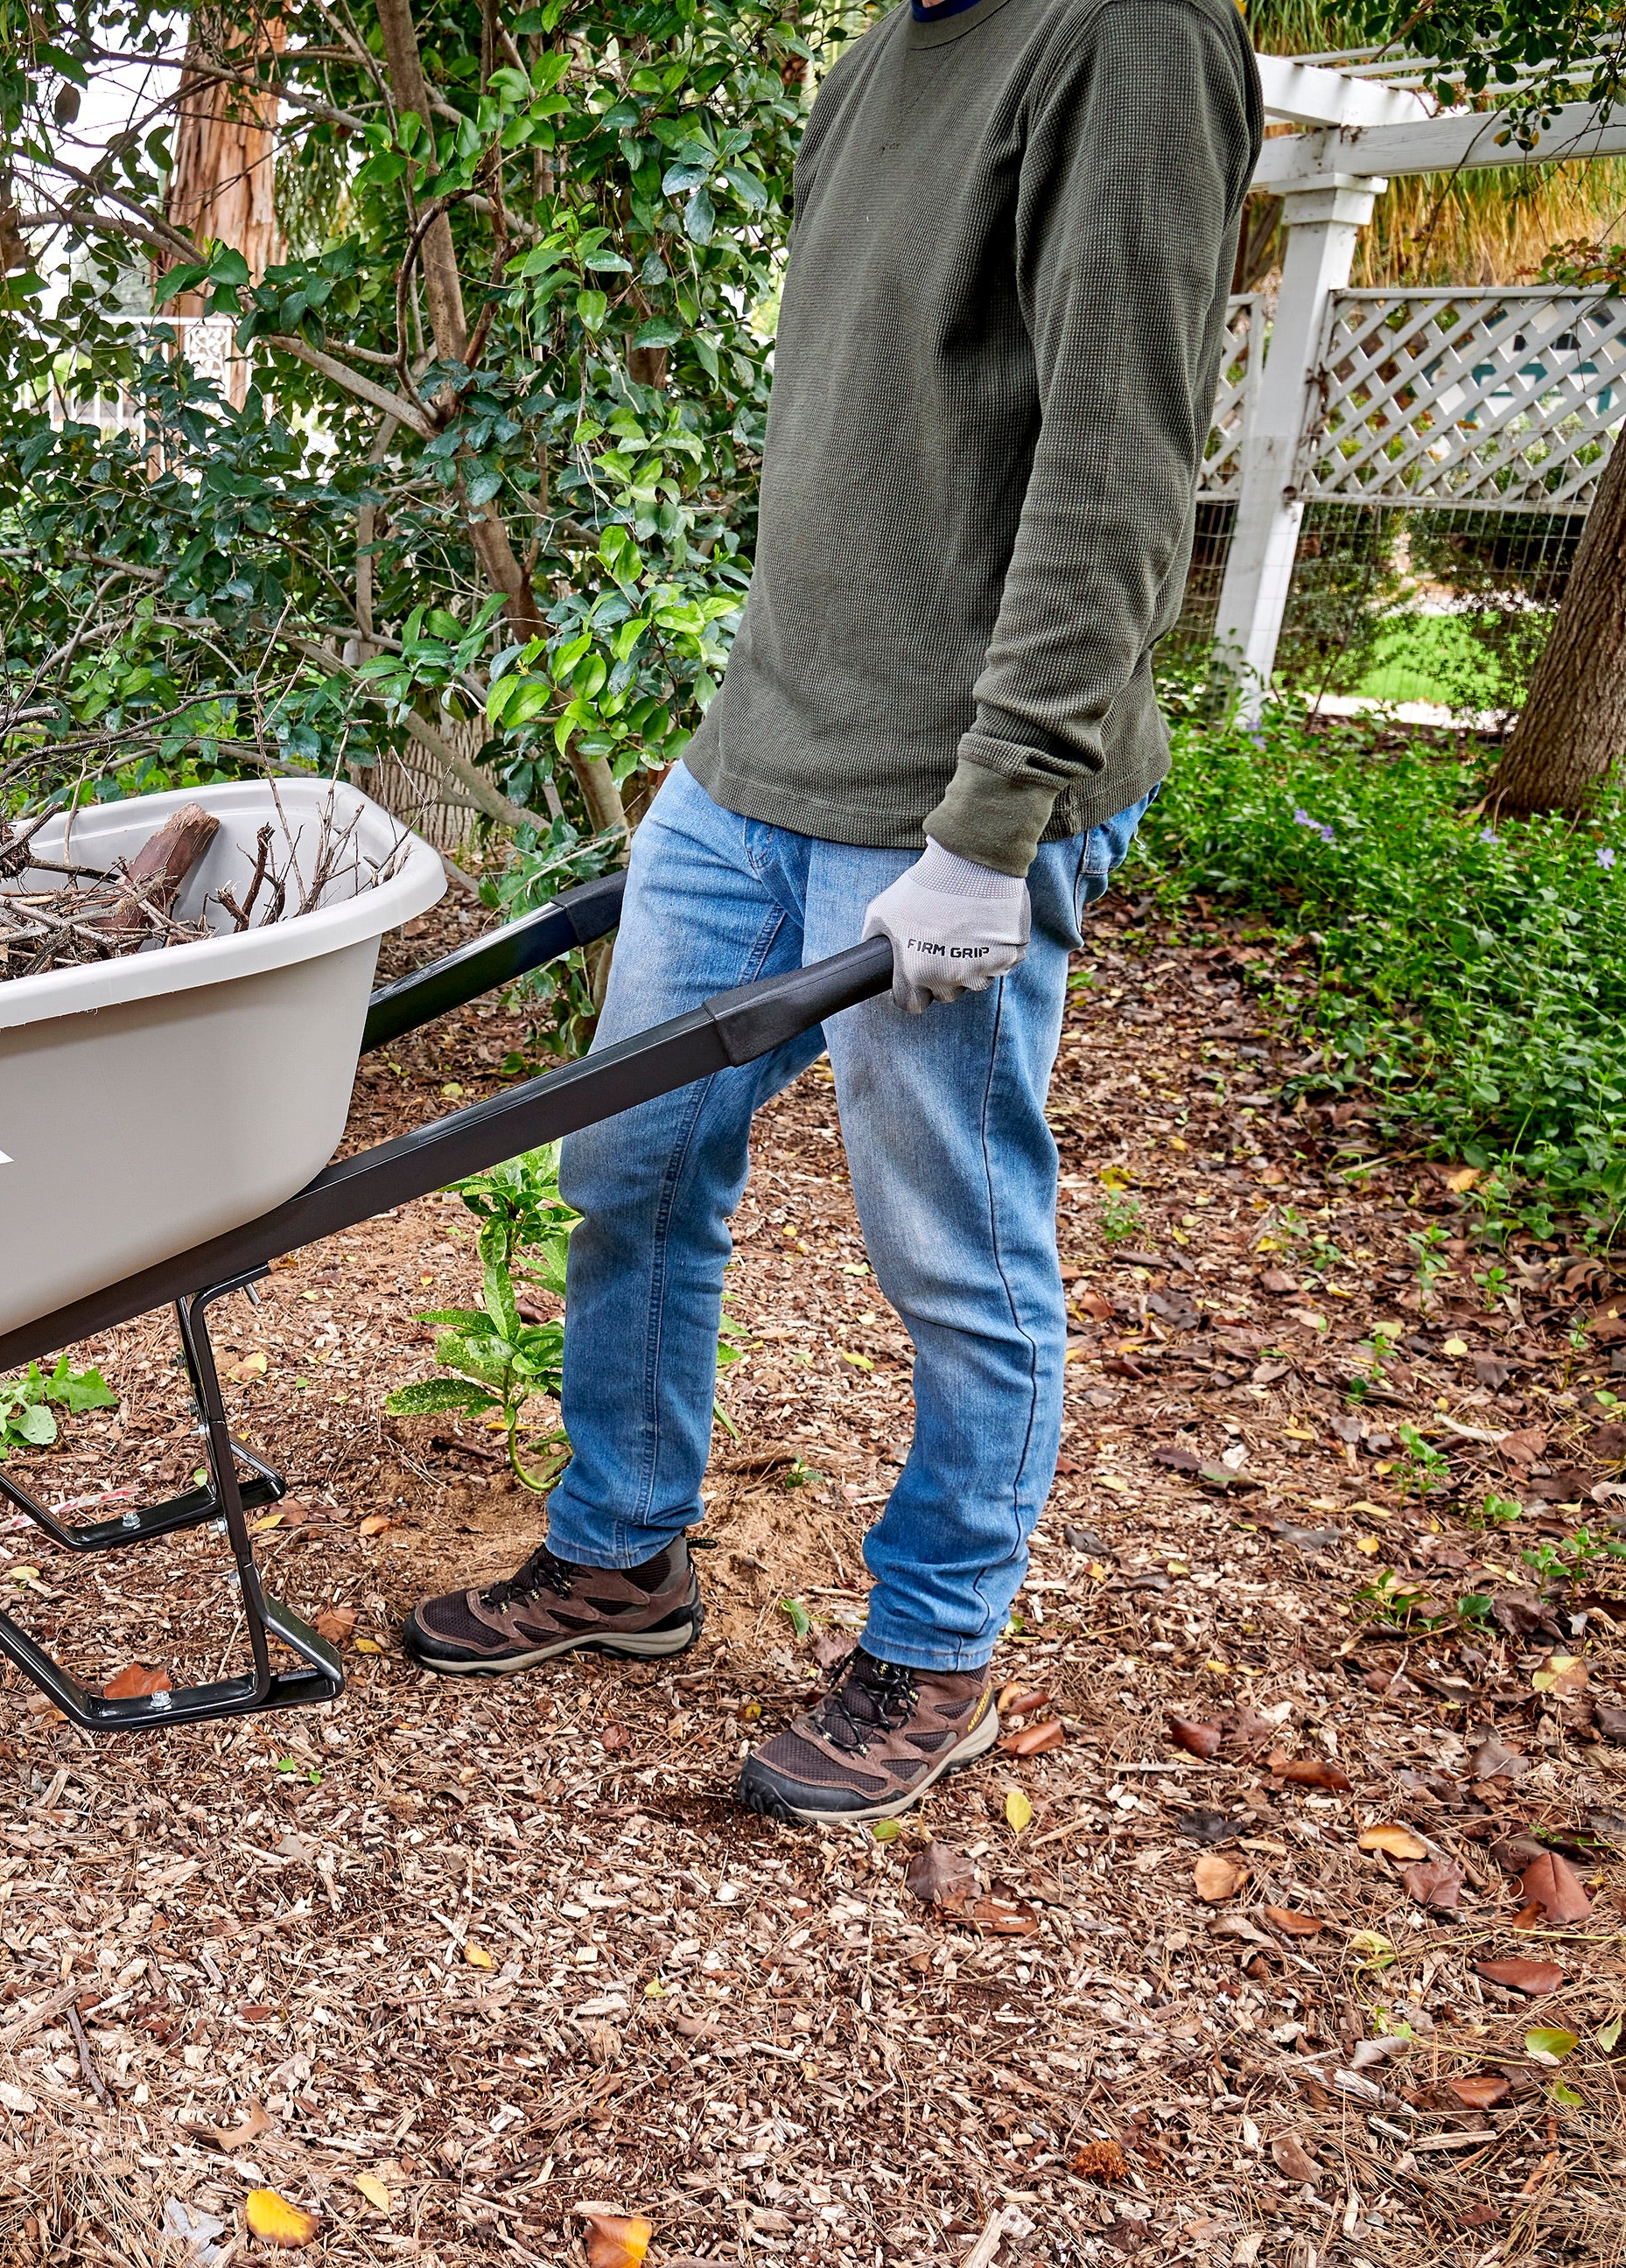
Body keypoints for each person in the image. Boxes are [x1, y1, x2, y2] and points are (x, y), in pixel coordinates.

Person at [403, 0, 1262, 1824]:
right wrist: (723, 750)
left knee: (949, 1241)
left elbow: (1115, 466)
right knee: (626, 1167)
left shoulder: (1123, 39)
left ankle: (936, 1637)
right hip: (749, 772)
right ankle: (620, 1550)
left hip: (943, 799)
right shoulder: (874, 62)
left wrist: (992, 816)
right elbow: (853, 442)